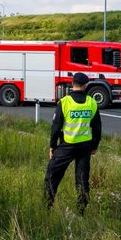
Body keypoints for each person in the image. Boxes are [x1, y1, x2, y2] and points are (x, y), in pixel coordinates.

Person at [45, 72, 101, 215]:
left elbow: (56, 127)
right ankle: (81, 212)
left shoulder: (64, 102)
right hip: (85, 147)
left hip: (67, 146)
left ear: (72, 84)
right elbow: (97, 127)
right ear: (85, 85)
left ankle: (46, 207)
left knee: (53, 174)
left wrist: (52, 146)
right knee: (82, 179)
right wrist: (94, 146)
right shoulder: (92, 102)